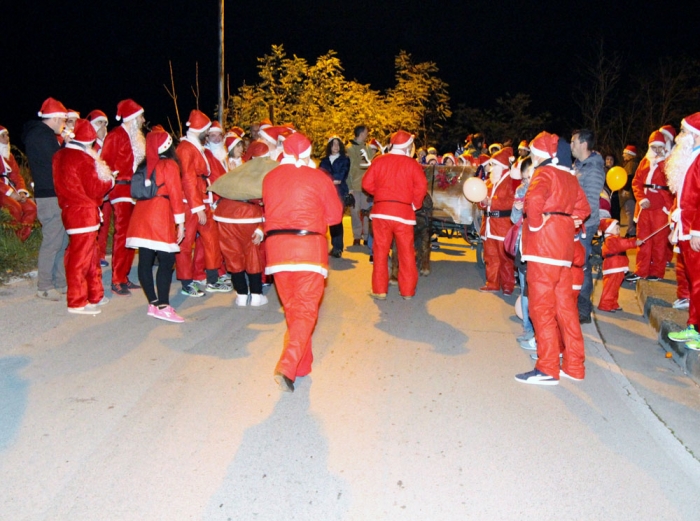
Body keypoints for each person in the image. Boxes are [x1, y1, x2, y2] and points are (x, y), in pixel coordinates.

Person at [263, 132, 343, 392]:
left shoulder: (270, 177)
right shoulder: (319, 178)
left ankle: (301, 365)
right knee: (306, 311)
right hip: (309, 250)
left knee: (294, 311)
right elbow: (334, 217)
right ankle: (287, 364)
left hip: (277, 251)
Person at [515, 131, 590, 385]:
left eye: (533, 152)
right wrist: (566, 222)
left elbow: (533, 200)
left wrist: (536, 225)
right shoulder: (569, 178)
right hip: (563, 253)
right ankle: (574, 365)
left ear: (538, 153)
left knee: (541, 309)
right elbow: (584, 209)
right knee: (566, 310)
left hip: (543, 250)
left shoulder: (544, 174)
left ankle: (547, 367)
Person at [53, 119, 115, 314]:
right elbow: (95, 189)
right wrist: (110, 180)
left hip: (70, 210)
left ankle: (94, 294)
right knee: (81, 259)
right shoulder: (84, 158)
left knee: (88, 255)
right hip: (84, 213)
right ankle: (77, 301)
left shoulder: (59, 156)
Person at [125, 129, 187, 322]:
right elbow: (176, 195)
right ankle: (163, 305)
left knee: (145, 260)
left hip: (141, 215)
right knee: (167, 261)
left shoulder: (144, 165)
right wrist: (181, 223)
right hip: (159, 216)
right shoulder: (169, 165)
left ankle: (153, 302)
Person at [362, 130, 428, 300]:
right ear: (408, 147)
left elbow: (367, 184)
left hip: (381, 213)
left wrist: (382, 195)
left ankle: (380, 290)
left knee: (380, 252)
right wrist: (414, 204)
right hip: (404, 214)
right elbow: (421, 186)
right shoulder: (412, 164)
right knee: (406, 253)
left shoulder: (379, 161)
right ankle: (407, 291)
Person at [174, 109, 229, 297]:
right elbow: (188, 178)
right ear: (202, 129)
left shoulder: (196, 146)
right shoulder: (186, 148)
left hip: (201, 198)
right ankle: (186, 281)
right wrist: (197, 207)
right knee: (186, 242)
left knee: (211, 237)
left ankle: (212, 277)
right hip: (189, 202)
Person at [22, 97, 69, 301]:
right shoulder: (42, 137)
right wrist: (67, 146)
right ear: (57, 118)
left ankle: (59, 281)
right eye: (64, 120)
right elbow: (58, 163)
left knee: (61, 239)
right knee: (53, 241)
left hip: (53, 194)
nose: (65, 125)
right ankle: (44, 285)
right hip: (49, 196)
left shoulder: (44, 135)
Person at [213, 141, 269, 307]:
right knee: (252, 252)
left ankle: (242, 294)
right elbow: (269, 204)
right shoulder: (266, 173)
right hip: (249, 216)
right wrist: (261, 229)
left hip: (225, 215)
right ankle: (256, 294)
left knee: (232, 253)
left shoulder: (239, 169)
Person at [101, 99, 146, 296]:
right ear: (133, 119)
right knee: (122, 235)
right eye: (141, 117)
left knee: (131, 236)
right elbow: (105, 164)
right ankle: (117, 279)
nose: (144, 120)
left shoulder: (136, 137)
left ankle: (124, 276)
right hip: (120, 190)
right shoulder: (116, 135)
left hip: (134, 190)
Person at [666, 113, 700, 349]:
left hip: (694, 229)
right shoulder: (692, 157)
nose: (680, 136)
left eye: (684, 131)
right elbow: (684, 197)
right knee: (693, 279)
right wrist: (675, 227)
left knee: (698, 281)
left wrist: (697, 230)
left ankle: (696, 331)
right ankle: (693, 326)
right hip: (685, 228)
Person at [571, 129, 605, 324]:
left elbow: (591, 203)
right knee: (575, 265)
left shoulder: (593, 170)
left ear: (584, 144)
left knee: (581, 266)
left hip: (584, 225)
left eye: (574, 142)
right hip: (575, 223)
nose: (572, 145)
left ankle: (583, 310)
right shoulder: (579, 165)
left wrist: (578, 220)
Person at [629, 131, 673, 281]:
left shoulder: (669, 162)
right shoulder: (644, 162)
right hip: (644, 208)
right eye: (653, 147)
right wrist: (641, 199)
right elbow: (636, 182)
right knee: (643, 240)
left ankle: (657, 272)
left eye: (659, 147)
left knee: (659, 242)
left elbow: (670, 180)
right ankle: (641, 270)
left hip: (661, 208)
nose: (655, 150)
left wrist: (661, 160)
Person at [479, 147, 517, 294]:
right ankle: (492, 283)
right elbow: (480, 198)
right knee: (490, 257)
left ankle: (508, 285)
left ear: (501, 165)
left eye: (494, 164)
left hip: (502, 226)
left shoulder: (511, 182)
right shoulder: (489, 182)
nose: (491, 167)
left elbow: (512, 201)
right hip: (488, 225)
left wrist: (491, 202)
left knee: (505, 258)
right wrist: (482, 202)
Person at [510, 157, 535, 349]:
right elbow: (513, 218)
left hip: (539, 247)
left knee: (536, 292)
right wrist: (518, 210)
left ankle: (535, 332)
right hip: (523, 244)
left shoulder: (545, 189)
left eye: (530, 177)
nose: (527, 182)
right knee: (525, 290)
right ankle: (528, 329)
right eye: (525, 178)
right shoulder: (520, 190)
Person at [1, 125, 37, 242]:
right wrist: (10, 193)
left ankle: (20, 239)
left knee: (31, 207)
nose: (7, 138)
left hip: (11, 191)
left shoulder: (9, 156)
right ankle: (10, 240)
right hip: (2, 192)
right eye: (3, 136)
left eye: (7, 135)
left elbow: (16, 175)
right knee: (15, 208)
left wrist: (21, 191)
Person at [597, 218, 641, 312]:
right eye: (616, 228)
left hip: (617, 267)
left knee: (615, 287)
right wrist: (634, 242)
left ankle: (612, 303)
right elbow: (623, 244)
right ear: (609, 229)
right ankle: (605, 304)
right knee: (611, 287)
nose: (619, 230)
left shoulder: (613, 239)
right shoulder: (611, 240)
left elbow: (623, 243)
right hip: (614, 266)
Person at [87, 109, 112, 268]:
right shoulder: (90, 145)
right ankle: (92, 254)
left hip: (107, 190)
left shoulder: (109, 142)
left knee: (104, 223)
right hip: (93, 190)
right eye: (99, 123)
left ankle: (101, 254)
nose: (103, 126)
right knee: (93, 223)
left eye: (105, 123)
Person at [319, 136, 350, 258]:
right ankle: (334, 245)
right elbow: (320, 175)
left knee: (337, 219)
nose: (336, 147)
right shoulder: (324, 161)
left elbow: (340, 176)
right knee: (330, 220)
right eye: (333, 144)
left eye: (338, 144)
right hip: (326, 193)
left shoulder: (344, 160)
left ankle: (338, 247)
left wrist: (329, 179)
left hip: (339, 192)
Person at [347, 125, 374, 246]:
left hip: (366, 187)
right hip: (354, 185)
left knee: (367, 211)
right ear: (361, 133)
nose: (367, 134)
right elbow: (348, 170)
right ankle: (357, 235)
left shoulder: (368, 149)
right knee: (355, 211)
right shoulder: (349, 149)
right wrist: (349, 187)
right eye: (366, 132)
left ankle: (367, 236)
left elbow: (372, 166)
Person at [620, 145, 639, 238]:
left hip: (631, 193)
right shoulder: (631, 163)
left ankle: (631, 231)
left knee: (630, 211)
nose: (623, 155)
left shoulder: (631, 164)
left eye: (625, 153)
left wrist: (625, 189)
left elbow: (630, 177)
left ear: (629, 154)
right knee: (630, 211)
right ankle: (631, 230)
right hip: (631, 193)